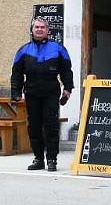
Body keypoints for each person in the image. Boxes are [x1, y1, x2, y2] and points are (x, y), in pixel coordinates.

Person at [11, 17, 73, 171]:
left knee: (51, 127)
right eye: (36, 27)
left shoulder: (58, 49)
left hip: (51, 92)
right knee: (34, 127)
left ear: (47, 30)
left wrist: (68, 88)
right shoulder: (23, 50)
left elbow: (66, 70)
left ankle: (52, 159)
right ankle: (38, 159)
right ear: (31, 30)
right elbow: (16, 74)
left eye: (42, 27)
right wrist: (15, 92)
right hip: (31, 93)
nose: (39, 29)